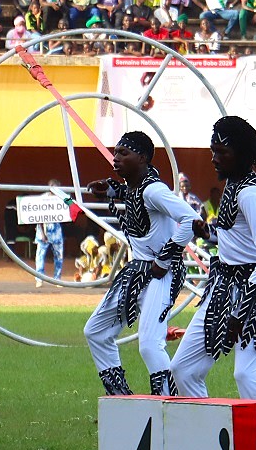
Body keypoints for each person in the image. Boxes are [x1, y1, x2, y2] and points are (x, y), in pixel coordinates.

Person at [169, 116, 256, 399]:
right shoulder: (233, 184)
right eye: (213, 150)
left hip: (254, 290)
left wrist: (240, 311)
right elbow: (236, 237)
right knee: (182, 369)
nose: (214, 158)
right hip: (222, 284)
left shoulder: (251, 193)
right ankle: (204, 434)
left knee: (245, 374)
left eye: (222, 152)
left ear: (240, 154)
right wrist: (207, 232)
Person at [81, 132, 197, 395]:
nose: (116, 158)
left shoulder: (154, 189)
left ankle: (168, 405)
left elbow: (190, 220)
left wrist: (164, 259)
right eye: (115, 152)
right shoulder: (137, 187)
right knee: (96, 331)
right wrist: (111, 189)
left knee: (150, 344)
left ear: (142, 158)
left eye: (124, 153)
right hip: (138, 271)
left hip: (160, 274)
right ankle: (120, 399)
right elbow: (133, 194)